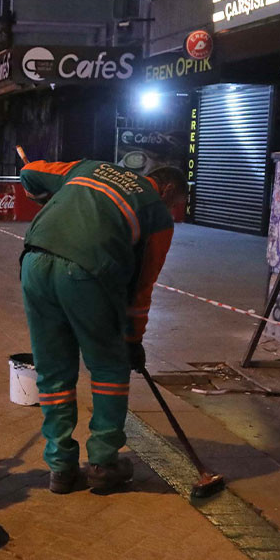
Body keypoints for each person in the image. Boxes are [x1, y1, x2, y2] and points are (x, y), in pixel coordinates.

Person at [18, 158, 188, 495]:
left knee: (53, 370)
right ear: (168, 189)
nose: (176, 211)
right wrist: (132, 339)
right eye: (178, 203)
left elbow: (29, 172)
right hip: (87, 272)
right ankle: (103, 464)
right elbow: (142, 287)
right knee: (110, 368)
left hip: (35, 261)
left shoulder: (89, 168)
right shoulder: (157, 213)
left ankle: (61, 468)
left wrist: (49, 201)